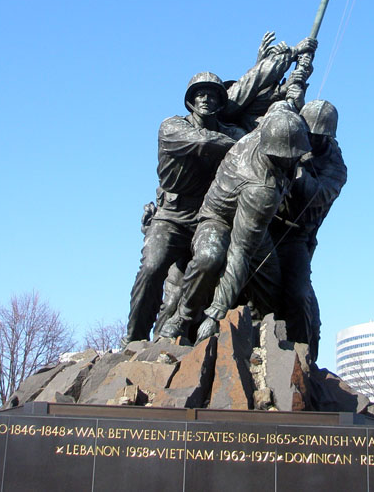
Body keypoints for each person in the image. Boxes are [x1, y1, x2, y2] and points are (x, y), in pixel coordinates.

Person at [124, 34, 314, 343]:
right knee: (153, 267)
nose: (207, 100)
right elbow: (206, 141)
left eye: (213, 95)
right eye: (200, 94)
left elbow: (263, 107)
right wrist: (287, 54)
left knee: (218, 261)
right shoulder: (173, 127)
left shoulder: (235, 132)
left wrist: (297, 74)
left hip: (212, 214)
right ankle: (134, 339)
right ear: (190, 99)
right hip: (174, 216)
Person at [158, 101, 311, 342]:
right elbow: (240, 252)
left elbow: (281, 107)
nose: (292, 160)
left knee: (271, 285)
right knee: (210, 257)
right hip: (218, 219)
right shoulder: (263, 188)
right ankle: (183, 318)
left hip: (253, 225)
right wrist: (216, 314)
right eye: (287, 157)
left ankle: (263, 337)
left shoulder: (267, 129)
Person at [269, 99, 346, 362]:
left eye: (318, 136)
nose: (311, 139)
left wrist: (295, 165)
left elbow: (319, 194)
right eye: (308, 133)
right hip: (266, 226)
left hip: (296, 237)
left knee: (300, 296)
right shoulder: (294, 135)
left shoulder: (335, 166)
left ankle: (302, 362)